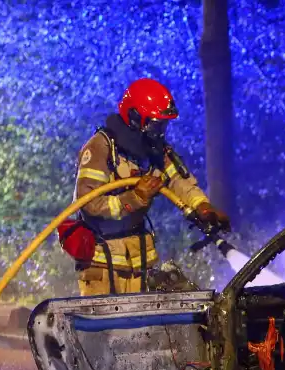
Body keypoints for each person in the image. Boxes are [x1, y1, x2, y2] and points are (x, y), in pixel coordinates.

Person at [68, 78, 230, 296]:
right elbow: (89, 203)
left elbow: (178, 181)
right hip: (101, 263)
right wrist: (134, 198)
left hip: (138, 259)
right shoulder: (101, 147)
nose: (161, 131)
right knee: (104, 329)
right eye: (156, 123)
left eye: (163, 124)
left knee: (139, 327)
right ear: (135, 117)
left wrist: (202, 206)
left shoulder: (155, 150)